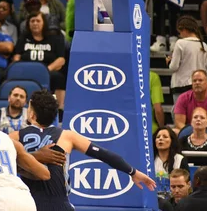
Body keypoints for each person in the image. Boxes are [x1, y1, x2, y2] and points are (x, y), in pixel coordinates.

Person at [11, 90, 156, 211]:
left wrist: (32, 156)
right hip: (59, 204)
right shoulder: (67, 136)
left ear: (31, 114)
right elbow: (103, 154)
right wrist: (133, 172)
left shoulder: (14, 137)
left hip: (27, 203)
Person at [13, 12, 67, 121]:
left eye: (38, 21)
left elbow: (61, 59)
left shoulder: (54, 38)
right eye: (32, 21)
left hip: (48, 71)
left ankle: (60, 111)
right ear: (28, 24)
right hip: (26, 71)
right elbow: (16, 57)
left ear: (44, 23)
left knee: (59, 77)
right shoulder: (24, 38)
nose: (35, 23)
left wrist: (45, 71)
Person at [166, 16, 207, 101]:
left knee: (180, 112)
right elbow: (206, 67)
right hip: (198, 85)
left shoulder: (180, 43)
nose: (180, 35)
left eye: (180, 32)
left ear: (184, 29)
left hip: (181, 85)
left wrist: (169, 61)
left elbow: (173, 67)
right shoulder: (204, 45)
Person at [153, 127, 190, 196]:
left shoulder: (180, 159)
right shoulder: (149, 160)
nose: (160, 139)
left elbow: (186, 184)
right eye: (158, 137)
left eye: (165, 137)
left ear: (171, 141)